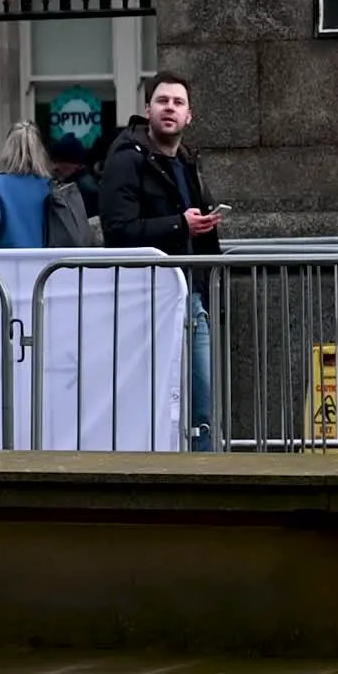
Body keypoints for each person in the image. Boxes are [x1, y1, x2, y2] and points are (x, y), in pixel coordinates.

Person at [99, 71, 222, 452]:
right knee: (148, 403)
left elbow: (193, 232)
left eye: (178, 102)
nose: (170, 108)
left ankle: (207, 487)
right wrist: (177, 224)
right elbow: (118, 230)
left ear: (189, 116)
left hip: (191, 298)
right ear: (148, 109)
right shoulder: (126, 159)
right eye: (163, 101)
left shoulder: (185, 161)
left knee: (202, 406)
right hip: (146, 301)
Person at [0, 121, 53, 248]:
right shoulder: (50, 187)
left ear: (8, 149)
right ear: (39, 150)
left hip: (3, 267)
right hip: (47, 266)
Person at [50, 133, 101, 218]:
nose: (56, 167)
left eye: (61, 161)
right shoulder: (82, 185)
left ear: (75, 164)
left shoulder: (85, 189)